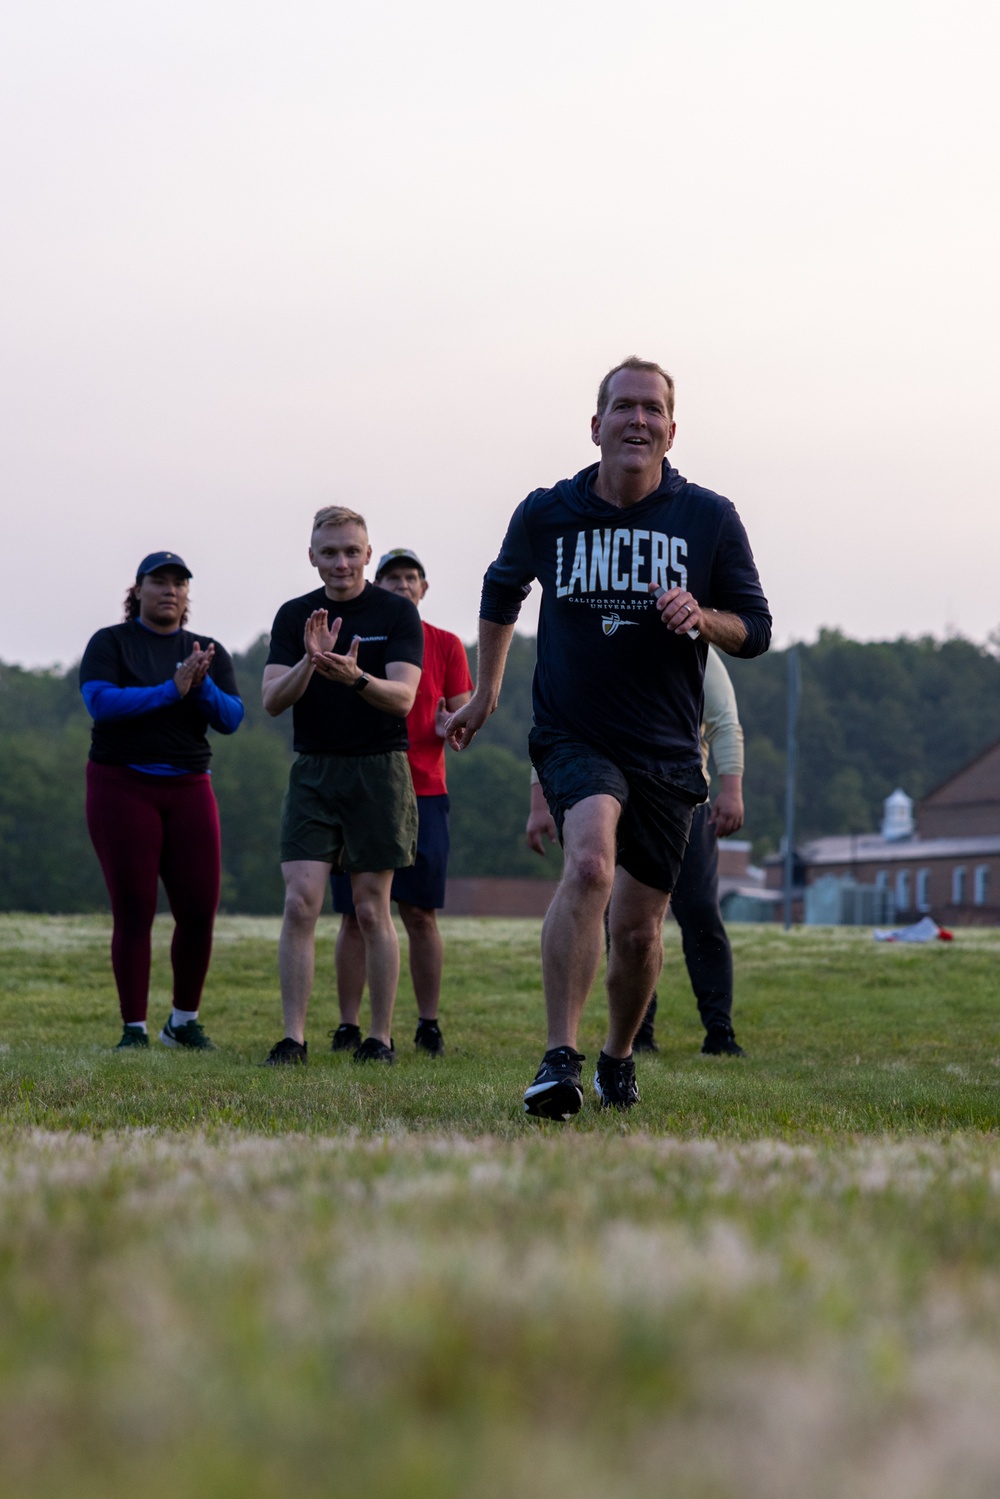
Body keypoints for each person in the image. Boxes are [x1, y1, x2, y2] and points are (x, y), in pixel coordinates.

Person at [447, 356, 771, 1118]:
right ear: (595, 426)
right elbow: (501, 588)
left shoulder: (709, 518)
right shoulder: (548, 511)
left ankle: (617, 1056)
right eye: (623, 407)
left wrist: (705, 616)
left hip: (665, 746)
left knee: (637, 929)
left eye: (652, 409)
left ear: (671, 428)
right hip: (574, 732)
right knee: (589, 862)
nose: (638, 420)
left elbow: (755, 627)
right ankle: (558, 1057)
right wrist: (487, 689)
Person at [261, 507, 424, 1066]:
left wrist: (353, 675)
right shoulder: (293, 616)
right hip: (314, 770)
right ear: (312, 556)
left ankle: (379, 1038)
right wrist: (310, 663)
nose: (341, 562)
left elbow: (403, 699)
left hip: (379, 769)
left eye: (351, 551)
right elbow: (272, 700)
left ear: (368, 554)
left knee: (372, 908)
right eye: (329, 552)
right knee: (299, 903)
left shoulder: (397, 613)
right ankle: (293, 1039)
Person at [527, 645, 747, 1055]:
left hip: (681, 802)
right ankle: (636, 1035)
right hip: (608, 802)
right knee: (624, 923)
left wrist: (731, 790)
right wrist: (539, 802)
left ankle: (720, 1032)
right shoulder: (591, 637)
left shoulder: (691, 644)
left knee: (699, 912)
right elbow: (555, 727)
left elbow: (723, 720)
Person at [80, 551, 245, 1051]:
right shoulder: (111, 643)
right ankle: (134, 1030)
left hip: (190, 786)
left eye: (178, 582)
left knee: (198, 908)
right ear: (139, 589)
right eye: (159, 581)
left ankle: (182, 1022)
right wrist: (170, 689)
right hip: (121, 784)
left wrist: (200, 686)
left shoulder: (207, 650)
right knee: (135, 908)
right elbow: (101, 703)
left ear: (187, 594)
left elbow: (232, 718)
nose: (169, 590)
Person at [330, 549, 473, 1057]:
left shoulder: (447, 644)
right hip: (362, 788)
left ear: (424, 589)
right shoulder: (358, 636)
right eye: (393, 578)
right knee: (353, 912)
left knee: (419, 914)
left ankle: (428, 1023)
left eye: (412, 578)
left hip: (425, 791)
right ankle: (348, 1024)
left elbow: (464, 717)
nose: (403, 586)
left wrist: (450, 726)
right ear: (377, 582)